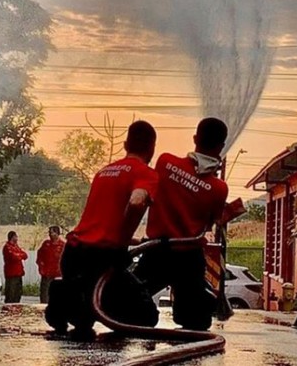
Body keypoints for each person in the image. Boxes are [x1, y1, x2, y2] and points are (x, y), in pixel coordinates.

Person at [45, 120, 159, 337]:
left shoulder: (104, 172)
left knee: (86, 315)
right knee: (147, 317)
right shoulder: (146, 173)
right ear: (152, 148)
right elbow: (136, 202)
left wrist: (133, 241)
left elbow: (99, 223)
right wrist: (122, 244)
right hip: (101, 259)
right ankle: (66, 296)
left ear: (125, 145)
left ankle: (66, 297)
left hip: (73, 255)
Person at [134, 117, 230, 331]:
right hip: (188, 257)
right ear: (221, 147)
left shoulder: (165, 162)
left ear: (195, 138)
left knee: (128, 298)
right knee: (195, 321)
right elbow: (210, 223)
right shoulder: (219, 188)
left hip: (156, 251)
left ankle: (142, 313)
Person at [37, 225, 65, 304]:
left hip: (58, 275)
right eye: (49, 232)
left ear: (57, 233)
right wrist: (41, 268)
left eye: (51, 232)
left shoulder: (63, 245)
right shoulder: (46, 244)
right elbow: (40, 256)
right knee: (44, 295)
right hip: (46, 274)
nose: (50, 234)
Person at [2, 231, 28, 303]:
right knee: (11, 294)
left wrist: (19, 255)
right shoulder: (7, 247)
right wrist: (19, 255)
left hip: (19, 273)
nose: (17, 238)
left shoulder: (16, 247)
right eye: (16, 236)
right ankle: (8, 307)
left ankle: (16, 306)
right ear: (12, 237)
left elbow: (25, 255)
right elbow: (13, 257)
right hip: (11, 274)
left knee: (18, 293)